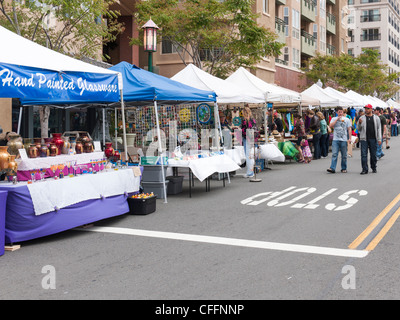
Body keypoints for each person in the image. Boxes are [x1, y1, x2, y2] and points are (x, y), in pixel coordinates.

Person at [357, 104, 382, 174]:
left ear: (371, 109)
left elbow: (379, 129)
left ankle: (373, 167)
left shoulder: (376, 118)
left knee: (373, 154)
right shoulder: (361, 118)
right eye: (365, 109)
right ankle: (364, 169)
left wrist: (379, 139)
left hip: (373, 138)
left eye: (368, 108)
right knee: (363, 154)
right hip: (364, 138)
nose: (366, 110)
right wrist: (359, 123)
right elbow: (358, 128)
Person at [326, 106, 352, 174]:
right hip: (336, 139)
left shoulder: (346, 119)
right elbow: (330, 126)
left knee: (344, 155)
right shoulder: (333, 118)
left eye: (341, 112)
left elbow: (349, 128)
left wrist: (350, 138)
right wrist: (336, 119)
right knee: (334, 154)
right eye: (339, 112)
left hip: (343, 139)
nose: (340, 113)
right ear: (337, 112)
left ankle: (344, 168)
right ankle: (332, 168)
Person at [241, 106, 257, 178]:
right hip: (252, 138)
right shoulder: (253, 120)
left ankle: (250, 172)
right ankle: (251, 171)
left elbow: (244, 131)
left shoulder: (245, 121)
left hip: (247, 138)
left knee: (248, 155)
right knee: (251, 155)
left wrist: (239, 130)